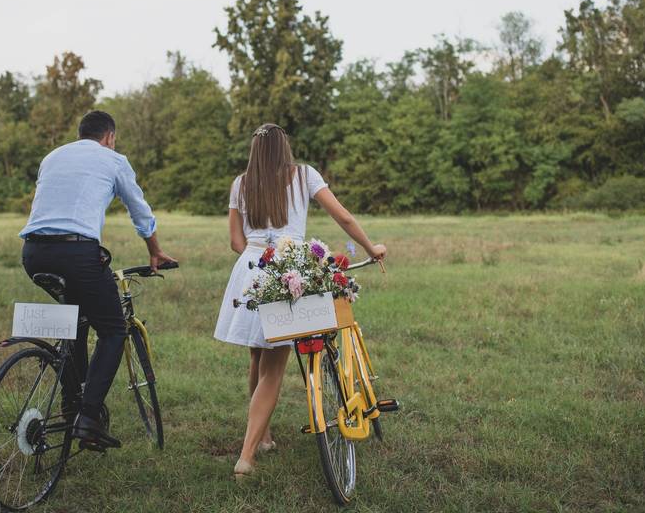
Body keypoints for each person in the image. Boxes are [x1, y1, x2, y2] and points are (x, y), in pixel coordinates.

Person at [213, 123, 387, 478]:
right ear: (284, 148)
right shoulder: (304, 175)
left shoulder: (241, 183)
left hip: (249, 268)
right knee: (274, 367)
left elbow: (235, 240)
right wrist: (372, 248)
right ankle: (246, 457)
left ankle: (263, 436)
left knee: (258, 354)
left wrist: (256, 251)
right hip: (287, 270)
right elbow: (343, 216)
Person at [20, 110, 177, 449]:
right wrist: (155, 250)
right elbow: (140, 210)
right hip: (77, 254)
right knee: (113, 329)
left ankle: (70, 405)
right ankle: (88, 418)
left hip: (33, 253)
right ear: (109, 137)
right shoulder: (113, 159)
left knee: (75, 322)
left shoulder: (52, 156)